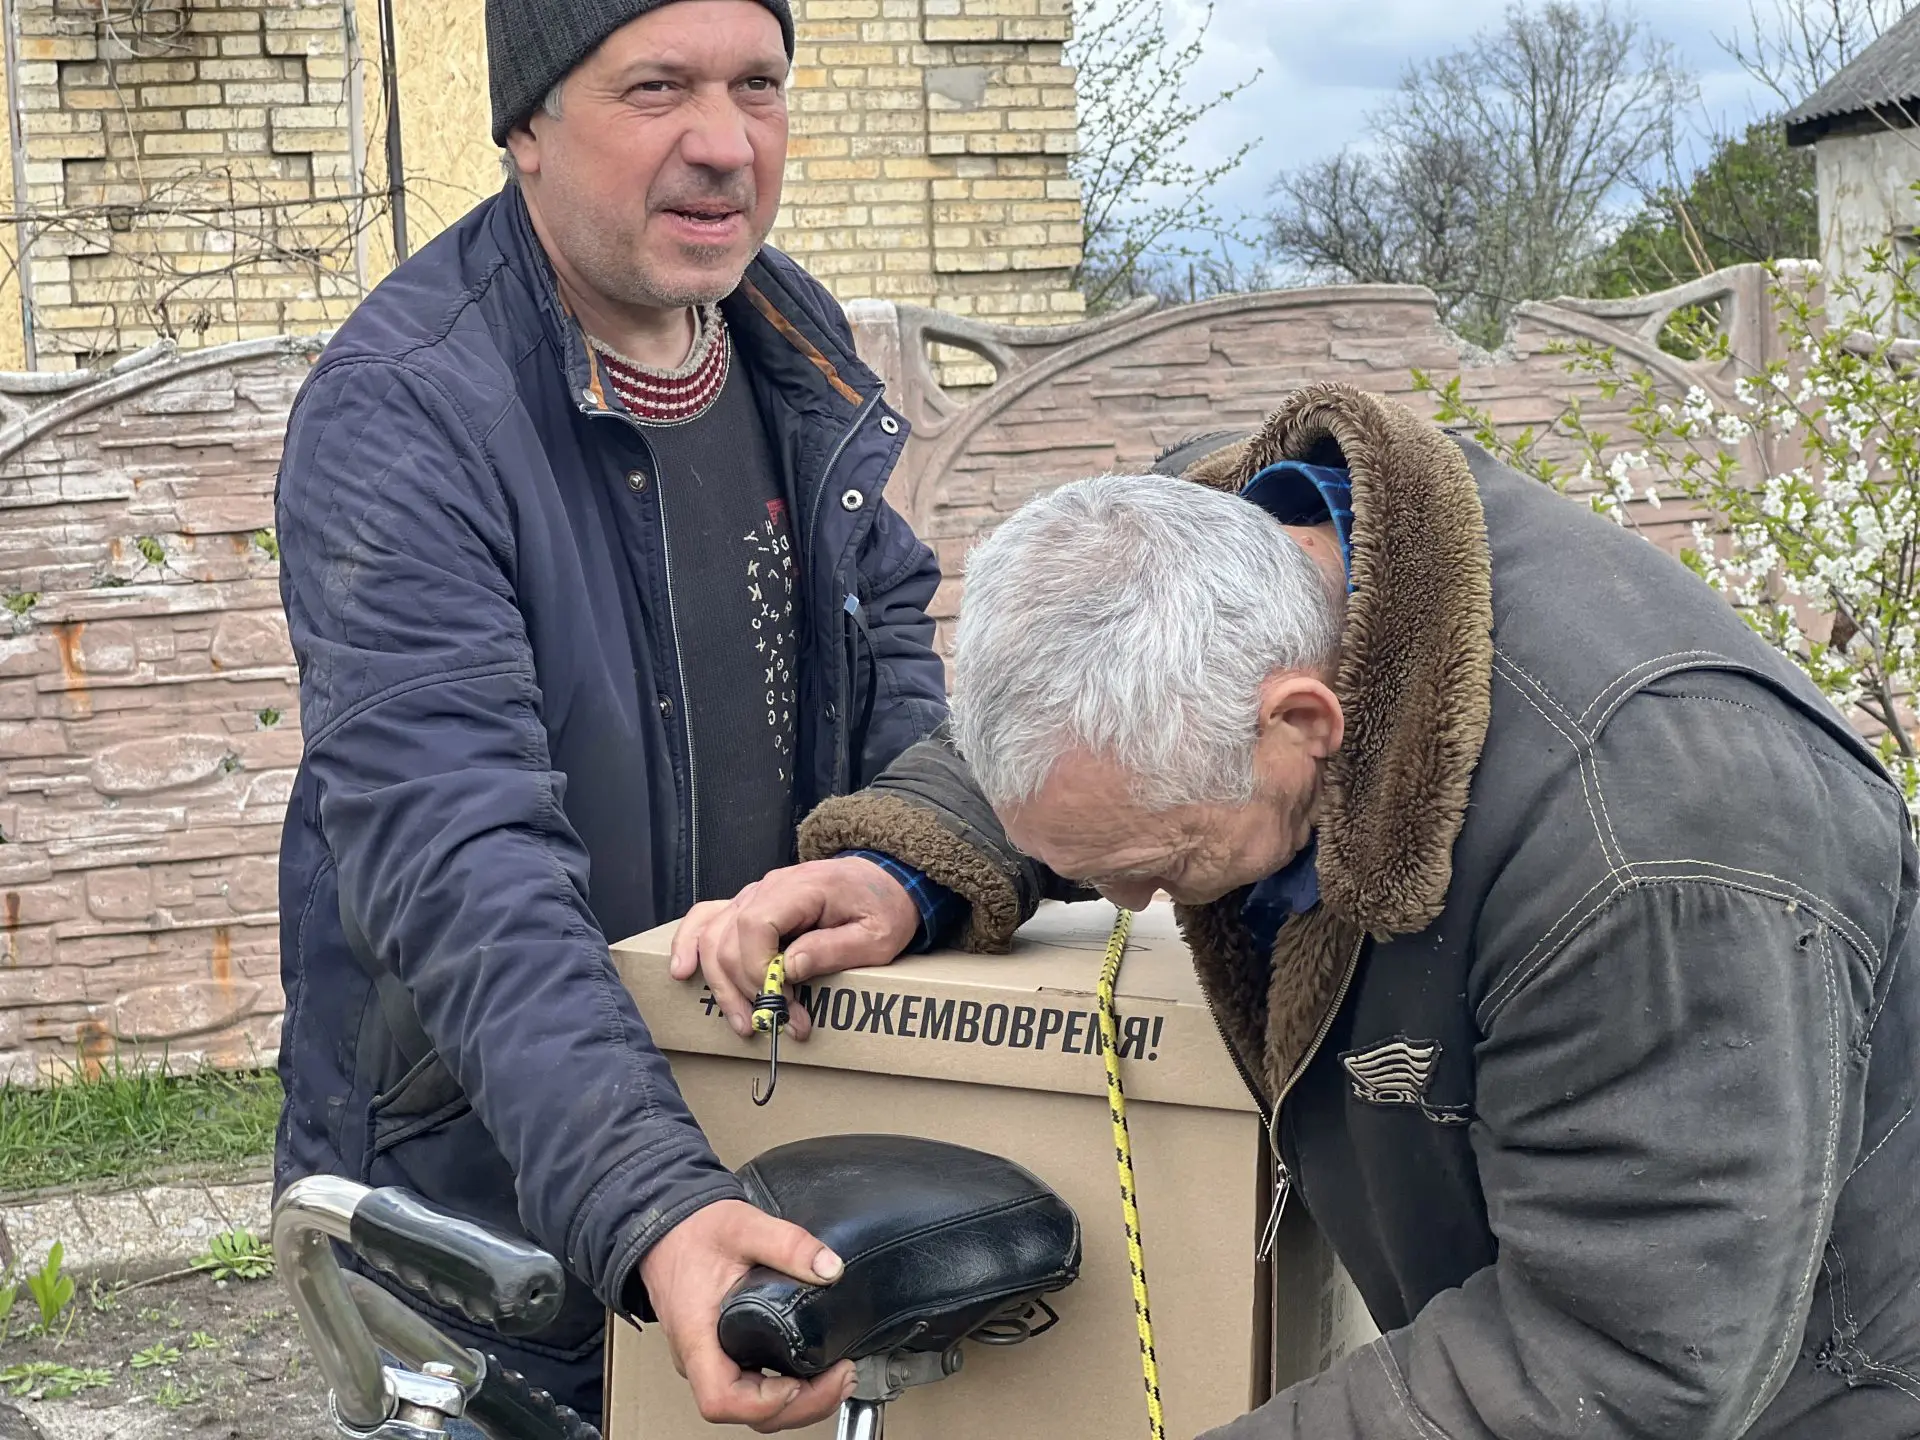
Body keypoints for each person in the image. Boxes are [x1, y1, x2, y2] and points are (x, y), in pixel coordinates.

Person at [674, 382, 1920, 1438]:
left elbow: (1623, 1356)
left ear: (1302, 726)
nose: (1124, 907)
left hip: (1813, 1382)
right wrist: (914, 863)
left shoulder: (1650, 849)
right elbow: (1087, 739)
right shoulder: (1212, 551)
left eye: (1154, 868)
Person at [270, 0, 951, 1426]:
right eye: (657, 88)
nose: (723, 145)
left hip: (778, 1145)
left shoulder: (790, 346)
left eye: (757, 85)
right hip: (499, 1212)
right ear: (526, 126)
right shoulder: (406, 415)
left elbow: (897, 661)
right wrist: (651, 1204)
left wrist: (903, 864)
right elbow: (459, 858)